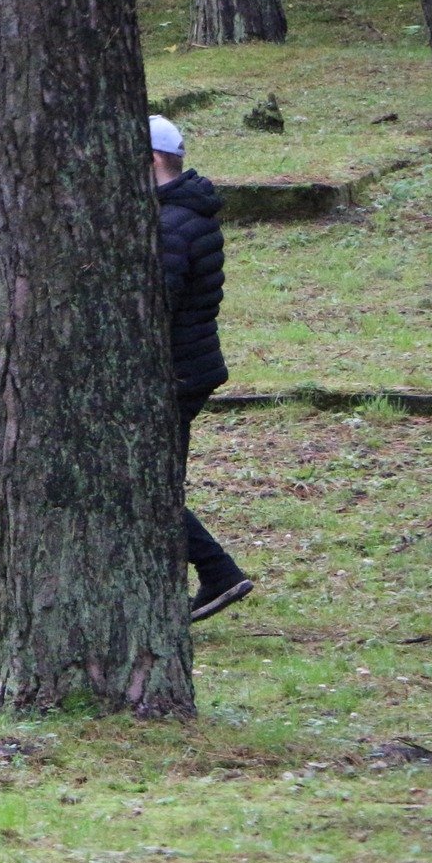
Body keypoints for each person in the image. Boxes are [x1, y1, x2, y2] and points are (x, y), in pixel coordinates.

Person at [152, 115, 255, 622]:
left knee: (150, 484)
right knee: (158, 479)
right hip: (191, 366)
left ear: (152, 160)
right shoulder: (188, 210)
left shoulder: (170, 223)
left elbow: (157, 304)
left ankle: (218, 571)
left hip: (177, 372)